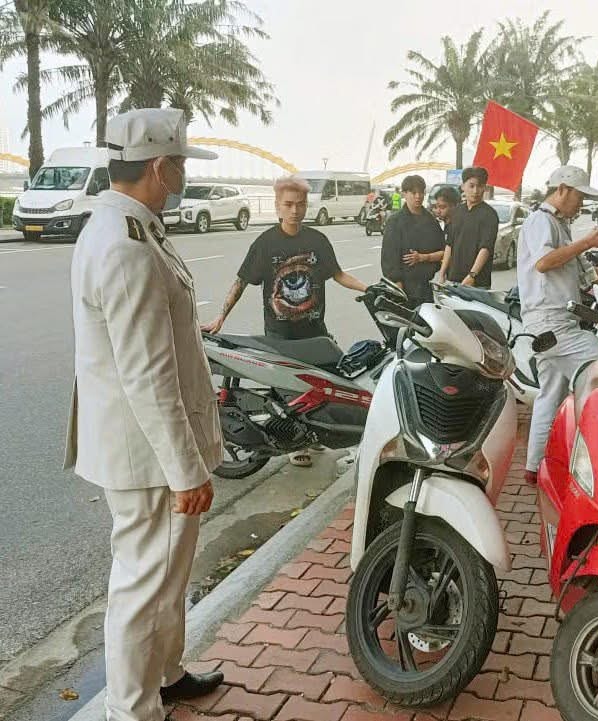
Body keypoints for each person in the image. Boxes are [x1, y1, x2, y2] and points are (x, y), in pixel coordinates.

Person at [64, 108, 225, 721]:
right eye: (180, 164)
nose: (183, 174)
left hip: (148, 446)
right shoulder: (124, 246)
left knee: (166, 574)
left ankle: (166, 674)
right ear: (160, 168)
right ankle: (131, 710)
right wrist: (186, 470)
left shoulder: (131, 228)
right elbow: (147, 375)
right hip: (148, 454)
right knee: (143, 583)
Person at [200, 175, 369, 466]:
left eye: (300, 204)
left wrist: (369, 289)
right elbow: (241, 281)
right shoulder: (266, 243)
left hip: (315, 331)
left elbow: (338, 274)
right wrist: (221, 317)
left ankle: (316, 435)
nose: (295, 210)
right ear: (277, 206)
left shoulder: (317, 240)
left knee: (323, 388)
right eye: (288, 204)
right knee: (287, 393)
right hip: (280, 333)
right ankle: (295, 445)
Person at [517, 166, 598, 485]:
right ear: (562, 190)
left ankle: (534, 467)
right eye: (580, 196)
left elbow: (589, 275)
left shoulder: (560, 226)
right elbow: (544, 262)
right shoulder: (541, 220)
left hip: (554, 322)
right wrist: (587, 242)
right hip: (551, 321)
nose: (581, 204)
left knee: (550, 396)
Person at [380, 174, 445, 304]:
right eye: (413, 192)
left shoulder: (431, 221)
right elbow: (389, 256)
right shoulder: (395, 221)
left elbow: (443, 251)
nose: (418, 196)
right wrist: (397, 284)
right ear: (404, 194)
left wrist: (424, 258)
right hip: (403, 286)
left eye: (421, 192)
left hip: (425, 286)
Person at [439, 167, 499, 288]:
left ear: (484, 188)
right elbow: (450, 244)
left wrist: (472, 275)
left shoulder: (489, 215)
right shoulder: (457, 212)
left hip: (477, 282)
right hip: (453, 279)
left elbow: (485, 248)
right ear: (463, 186)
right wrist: (442, 272)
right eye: (471, 186)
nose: (475, 191)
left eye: (480, 186)